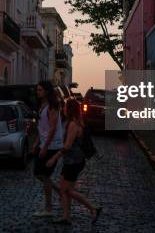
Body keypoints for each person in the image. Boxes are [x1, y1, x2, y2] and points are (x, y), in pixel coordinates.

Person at [46, 99, 101, 225]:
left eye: (65, 107)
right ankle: (66, 217)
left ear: (69, 109)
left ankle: (93, 208)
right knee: (64, 189)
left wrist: (53, 158)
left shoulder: (73, 125)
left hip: (74, 162)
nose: (63, 109)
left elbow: (67, 147)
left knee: (67, 190)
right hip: (72, 161)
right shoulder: (75, 122)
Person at [31, 80, 63, 217]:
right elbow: (42, 128)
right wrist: (36, 143)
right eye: (37, 90)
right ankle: (59, 193)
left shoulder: (52, 107)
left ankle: (48, 208)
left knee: (44, 175)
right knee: (39, 174)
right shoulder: (42, 106)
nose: (37, 92)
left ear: (47, 92)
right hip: (45, 144)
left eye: (40, 90)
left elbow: (52, 129)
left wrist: (44, 147)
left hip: (52, 146)